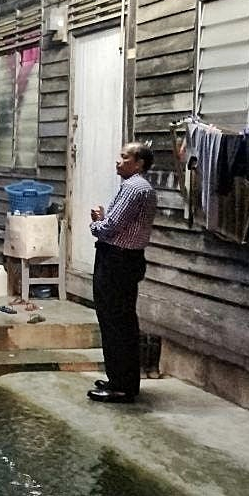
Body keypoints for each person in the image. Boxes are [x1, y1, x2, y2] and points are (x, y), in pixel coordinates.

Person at [87, 142, 157, 404]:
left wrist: (96, 223)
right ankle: (122, 379)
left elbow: (111, 227)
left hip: (116, 259)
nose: (119, 161)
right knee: (124, 320)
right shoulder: (145, 189)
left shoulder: (132, 187)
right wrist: (105, 220)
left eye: (124, 157)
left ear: (138, 163)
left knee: (114, 320)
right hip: (129, 259)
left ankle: (121, 385)